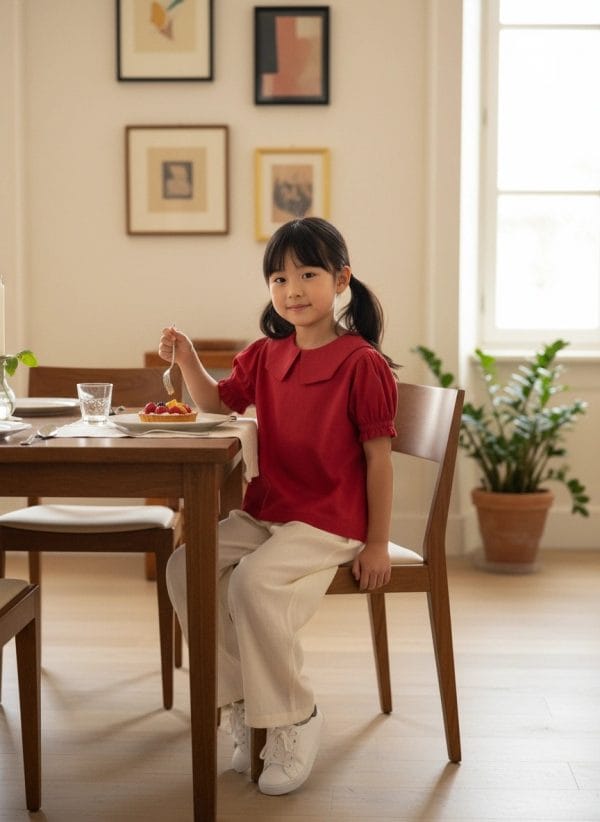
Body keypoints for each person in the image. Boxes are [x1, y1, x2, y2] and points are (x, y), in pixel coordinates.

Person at [160, 216, 398, 796]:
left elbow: (380, 460)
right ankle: (243, 705)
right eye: (278, 278)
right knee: (184, 566)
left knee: (251, 584)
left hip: (332, 516)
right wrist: (188, 355)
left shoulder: (360, 363)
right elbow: (217, 403)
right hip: (274, 510)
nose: (292, 289)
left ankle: (294, 717)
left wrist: (377, 543)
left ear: (342, 279)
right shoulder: (266, 355)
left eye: (308, 274)